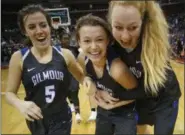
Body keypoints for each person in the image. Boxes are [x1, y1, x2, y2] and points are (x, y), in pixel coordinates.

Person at [5, 4, 95, 135]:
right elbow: (9, 94)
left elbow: (82, 78)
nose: (39, 30)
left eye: (43, 25)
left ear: (49, 26)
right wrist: (20, 104)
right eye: (31, 27)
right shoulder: (19, 57)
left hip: (61, 117)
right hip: (35, 118)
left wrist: (89, 82)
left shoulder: (65, 54)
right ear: (25, 31)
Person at [95, 1, 181, 134]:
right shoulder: (108, 44)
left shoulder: (153, 42)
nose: (125, 37)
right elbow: (88, 67)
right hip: (138, 98)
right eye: (118, 27)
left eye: (133, 28)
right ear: (110, 23)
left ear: (143, 23)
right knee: (139, 130)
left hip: (164, 98)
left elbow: (152, 89)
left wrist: (115, 98)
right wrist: (96, 89)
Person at [76, 14, 138, 135]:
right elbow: (85, 76)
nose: (94, 47)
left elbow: (138, 94)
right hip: (103, 111)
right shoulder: (82, 58)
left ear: (108, 41)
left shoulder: (117, 69)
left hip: (125, 113)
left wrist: (111, 105)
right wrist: (95, 89)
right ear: (79, 42)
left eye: (99, 40)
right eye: (87, 41)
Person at [57, 28, 82, 123]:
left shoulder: (74, 49)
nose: (66, 40)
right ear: (60, 40)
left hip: (73, 75)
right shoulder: (56, 50)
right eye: (64, 38)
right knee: (67, 94)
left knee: (74, 93)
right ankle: (71, 104)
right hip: (62, 76)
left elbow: (81, 58)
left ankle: (78, 114)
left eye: (67, 38)